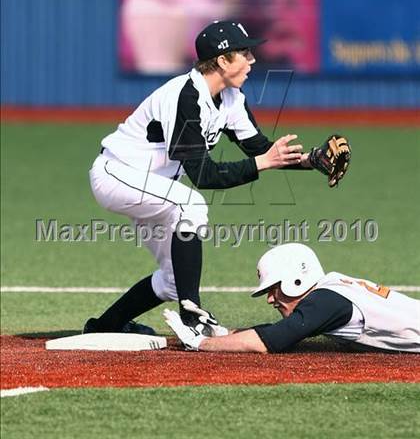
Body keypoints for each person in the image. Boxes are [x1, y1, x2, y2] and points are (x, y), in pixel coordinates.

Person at [84, 20, 346, 336]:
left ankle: (104, 326)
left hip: (154, 186)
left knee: (172, 278)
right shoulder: (185, 96)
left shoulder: (232, 99)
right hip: (117, 174)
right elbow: (203, 175)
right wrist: (262, 163)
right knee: (190, 204)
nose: (251, 60)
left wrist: (311, 160)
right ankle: (192, 314)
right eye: (244, 53)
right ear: (222, 60)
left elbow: (261, 150)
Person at [164, 242, 420, 353]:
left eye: (274, 288)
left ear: (296, 280)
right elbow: (283, 329)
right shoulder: (328, 293)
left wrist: (200, 344)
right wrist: (221, 333)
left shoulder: (324, 301)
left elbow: (271, 340)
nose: (270, 299)